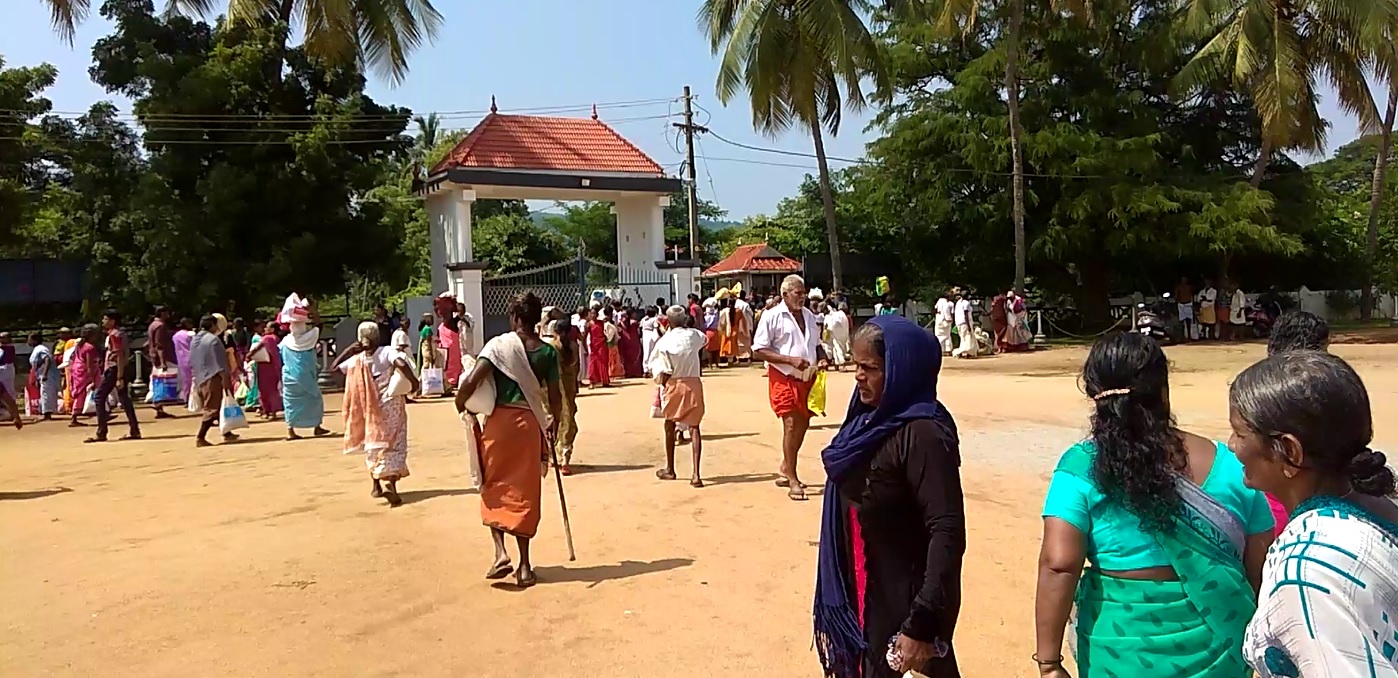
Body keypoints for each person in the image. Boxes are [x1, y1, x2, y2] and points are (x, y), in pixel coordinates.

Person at [1034, 332, 1274, 678]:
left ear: (1095, 396)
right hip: (1221, 650)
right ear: (1163, 392)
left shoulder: (1080, 467)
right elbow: (1260, 565)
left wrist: (1049, 662)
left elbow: (1058, 564)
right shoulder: (1232, 465)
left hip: (1121, 652)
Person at [1227, 351, 1398, 677]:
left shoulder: (1306, 572)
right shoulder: (1378, 504)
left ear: (1289, 452)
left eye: (1240, 433)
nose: (1232, 445)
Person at [814, 315, 963, 678]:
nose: (858, 376)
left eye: (870, 367)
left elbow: (946, 530)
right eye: (856, 365)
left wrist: (922, 622)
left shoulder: (924, 434)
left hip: (903, 605)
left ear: (902, 369)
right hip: (863, 592)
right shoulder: (866, 423)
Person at [455, 292, 563, 589]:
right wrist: (553, 426)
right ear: (537, 318)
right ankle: (525, 566)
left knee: (495, 484)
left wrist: (460, 404)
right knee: (524, 492)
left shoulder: (498, 346)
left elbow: (472, 380)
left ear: (515, 317)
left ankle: (501, 553)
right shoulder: (547, 352)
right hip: (529, 426)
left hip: (499, 424)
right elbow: (555, 398)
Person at [752, 274, 827, 501]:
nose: (802, 297)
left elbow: (816, 344)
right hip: (783, 376)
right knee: (791, 424)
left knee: (803, 423)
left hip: (808, 377)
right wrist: (789, 360)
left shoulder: (810, 316)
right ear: (785, 294)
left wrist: (822, 358)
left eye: (804, 293)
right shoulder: (772, 316)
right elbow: (759, 349)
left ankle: (786, 466)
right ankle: (793, 478)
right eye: (798, 293)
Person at [335, 322, 419, 507]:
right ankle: (390, 484)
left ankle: (376, 484)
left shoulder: (357, 360)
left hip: (369, 409)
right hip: (391, 405)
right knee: (394, 443)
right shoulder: (386, 351)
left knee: (373, 444)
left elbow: (333, 369)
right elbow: (401, 363)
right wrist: (413, 381)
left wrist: (349, 350)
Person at [650, 305, 709, 487]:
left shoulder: (664, 341)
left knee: (669, 424)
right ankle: (696, 475)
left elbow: (661, 369)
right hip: (694, 383)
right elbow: (704, 340)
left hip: (674, 383)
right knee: (694, 428)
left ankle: (670, 469)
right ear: (684, 319)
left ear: (667, 322)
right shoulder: (694, 336)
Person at [278, 295, 331, 440]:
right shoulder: (310, 337)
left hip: (290, 377)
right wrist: (312, 311)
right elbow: (319, 326)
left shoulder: (285, 341)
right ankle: (317, 427)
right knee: (315, 400)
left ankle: (290, 430)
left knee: (290, 403)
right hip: (307, 377)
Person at [87, 309, 142, 443]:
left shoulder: (114, 335)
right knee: (124, 398)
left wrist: (119, 377)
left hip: (114, 369)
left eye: (105, 319)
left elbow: (119, 356)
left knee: (100, 397)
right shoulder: (119, 334)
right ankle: (134, 429)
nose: (103, 322)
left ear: (112, 321)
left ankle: (102, 432)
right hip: (118, 369)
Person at [189, 315, 238, 447]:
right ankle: (200, 437)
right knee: (212, 408)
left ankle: (226, 432)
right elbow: (221, 364)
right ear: (212, 325)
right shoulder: (213, 340)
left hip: (200, 377)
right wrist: (226, 380)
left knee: (216, 405)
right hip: (213, 377)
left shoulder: (195, 340)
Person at [544, 318, 581, 475]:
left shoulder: (551, 347)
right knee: (568, 421)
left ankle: (553, 457)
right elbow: (577, 369)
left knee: (553, 420)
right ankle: (565, 459)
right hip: (569, 387)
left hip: (554, 390)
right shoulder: (574, 346)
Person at [247, 320, 283, 420]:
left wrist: (249, 355)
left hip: (264, 367)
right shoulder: (276, 339)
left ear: (272, 329)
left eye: (267, 327)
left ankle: (268, 411)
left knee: (264, 389)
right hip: (274, 366)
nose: (265, 329)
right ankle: (273, 412)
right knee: (273, 389)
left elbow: (257, 348)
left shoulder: (267, 338)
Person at [146, 306, 178, 419]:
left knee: (157, 380)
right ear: (162, 313)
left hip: (155, 357)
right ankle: (158, 402)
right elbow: (160, 345)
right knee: (162, 381)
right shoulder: (160, 326)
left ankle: (158, 406)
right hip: (162, 358)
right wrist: (163, 361)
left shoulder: (152, 325)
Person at [67, 325, 100, 426]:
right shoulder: (90, 347)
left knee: (79, 394)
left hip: (77, 370)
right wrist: (92, 379)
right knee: (89, 392)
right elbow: (89, 364)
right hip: (84, 371)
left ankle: (75, 416)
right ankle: (100, 413)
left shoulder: (80, 345)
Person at [27, 333, 60, 420]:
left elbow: (47, 359)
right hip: (41, 374)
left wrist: (45, 374)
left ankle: (47, 414)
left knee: (46, 393)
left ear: (35, 340)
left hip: (47, 375)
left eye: (30, 339)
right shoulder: (36, 349)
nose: (28, 341)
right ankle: (46, 413)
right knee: (44, 393)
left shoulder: (41, 349)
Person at [584, 308, 610, 388]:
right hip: (594, 346)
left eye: (595, 313)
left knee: (603, 362)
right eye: (592, 313)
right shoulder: (588, 325)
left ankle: (605, 381)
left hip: (602, 344)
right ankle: (592, 382)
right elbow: (584, 336)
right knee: (593, 363)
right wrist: (585, 346)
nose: (593, 315)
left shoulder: (601, 323)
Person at [172, 318, 194, 402]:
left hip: (180, 359)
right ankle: (190, 399)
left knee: (184, 380)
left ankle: (185, 397)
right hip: (191, 358)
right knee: (192, 380)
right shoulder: (190, 335)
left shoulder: (175, 335)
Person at [825, 302, 852, 371]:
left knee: (836, 347)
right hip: (842, 334)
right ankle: (837, 364)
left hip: (835, 333)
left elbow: (829, 326)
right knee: (837, 348)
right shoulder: (842, 315)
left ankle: (841, 364)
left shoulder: (832, 315)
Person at [619, 308, 644, 378]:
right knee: (636, 356)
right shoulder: (634, 323)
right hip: (634, 341)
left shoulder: (622, 322)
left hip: (625, 340)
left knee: (627, 358)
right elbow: (639, 332)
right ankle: (636, 372)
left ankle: (628, 372)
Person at [952, 293, 977, 359]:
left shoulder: (958, 303)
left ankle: (962, 352)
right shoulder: (966, 303)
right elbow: (965, 314)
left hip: (959, 323)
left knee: (962, 338)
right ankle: (966, 353)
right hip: (965, 322)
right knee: (967, 337)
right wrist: (968, 325)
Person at [640, 306, 661, 376]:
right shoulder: (655, 319)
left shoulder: (643, 319)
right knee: (652, 352)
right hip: (652, 334)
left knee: (645, 352)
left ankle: (645, 369)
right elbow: (656, 327)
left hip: (645, 334)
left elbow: (640, 327)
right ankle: (650, 369)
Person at [734, 291, 754, 363]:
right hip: (746, 325)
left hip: (737, 325)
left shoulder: (735, 304)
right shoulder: (745, 305)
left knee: (738, 341)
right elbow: (751, 314)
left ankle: (738, 357)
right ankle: (748, 357)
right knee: (747, 342)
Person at [1174, 277, 1195, 341]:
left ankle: (1189, 336)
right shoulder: (1179, 287)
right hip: (1181, 304)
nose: (1184, 281)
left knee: (1188, 321)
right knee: (1181, 322)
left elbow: (1192, 295)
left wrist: (1192, 304)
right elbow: (1176, 296)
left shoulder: (1189, 287)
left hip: (1188, 304)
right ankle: (1182, 336)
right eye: (1183, 280)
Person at [717, 297, 737, 367]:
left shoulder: (724, 311)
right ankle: (731, 361)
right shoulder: (736, 310)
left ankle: (729, 360)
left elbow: (721, 322)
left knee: (726, 344)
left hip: (726, 330)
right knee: (731, 345)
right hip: (734, 329)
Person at [605, 310, 624, 379]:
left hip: (611, 343)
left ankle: (613, 373)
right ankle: (613, 373)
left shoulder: (610, 325)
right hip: (611, 343)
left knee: (613, 359)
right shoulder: (609, 325)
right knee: (612, 359)